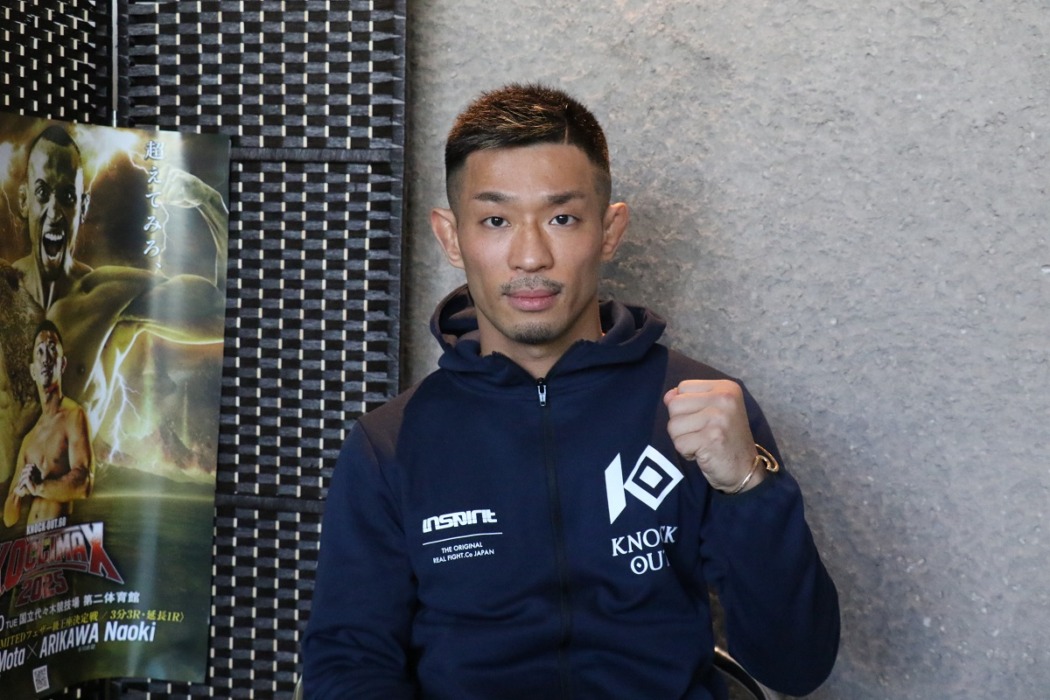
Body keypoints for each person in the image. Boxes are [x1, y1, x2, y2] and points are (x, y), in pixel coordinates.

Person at [303, 83, 840, 699]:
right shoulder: (390, 445)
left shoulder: (700, 410)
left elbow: (796, 664)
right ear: (451, 237)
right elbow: (348, 667)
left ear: (609, 230)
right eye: (496, 220)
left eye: (562, 218)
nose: (531, 256)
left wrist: (750, 487)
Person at [3, 124, 227, 468]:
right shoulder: (5, 292)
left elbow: (222, 313)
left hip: (70, 495)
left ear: (83, 206)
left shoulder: (104, 299)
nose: (54, 213)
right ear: (23, 200)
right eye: (42, 192)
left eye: (67, 197)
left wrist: (210, 201)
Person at [4, 321, 94, 529]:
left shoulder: (74, 416)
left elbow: (84, 484)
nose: (45, 359)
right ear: (33, 371)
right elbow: (9, 518)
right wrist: (18, 492)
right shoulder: (29, 440)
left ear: (62, 364)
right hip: (30, 545)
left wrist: (39, 487)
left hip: (60, 541)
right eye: (40, 352)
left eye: (52, 350)